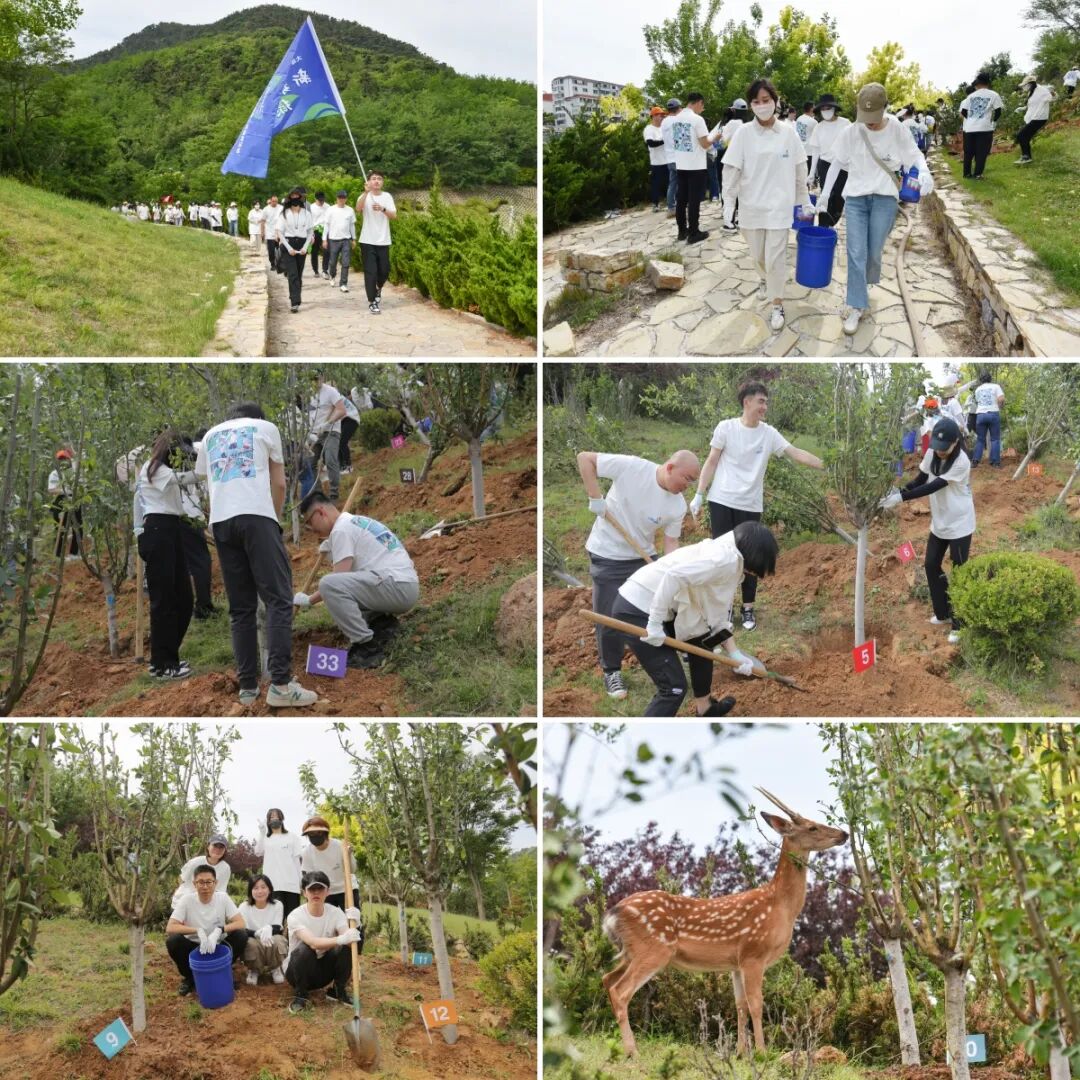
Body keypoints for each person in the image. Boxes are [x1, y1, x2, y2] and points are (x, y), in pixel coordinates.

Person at [195, 401, 317, 708]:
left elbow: (209, 483)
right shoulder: (266, 428)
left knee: (241, 608)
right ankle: (281, 685)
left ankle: (248, 688)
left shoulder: (211, 436)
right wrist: (274, 520)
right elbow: (279, 482)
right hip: (256, 517)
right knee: (278, 598)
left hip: (221, 522)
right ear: (258, 418)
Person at [689, 380, 823, 631]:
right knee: (722, 558)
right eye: (761, 401)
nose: (765, 406)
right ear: (746, 401)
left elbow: (796, 453)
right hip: (721, 501)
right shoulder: (726, 428)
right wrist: (699, 493)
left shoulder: (768, 434)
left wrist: (828, 465)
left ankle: (748, 608)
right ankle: (723, 609)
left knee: (751, 557)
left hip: (750, 504)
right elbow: (711, 462)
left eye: (766, 402)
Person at [610, 521, 781, 717]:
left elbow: (715, 618)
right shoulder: (723, 561)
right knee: (674, 688)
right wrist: (655, 623)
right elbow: (673, 576)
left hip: (660, 604)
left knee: (702, 640)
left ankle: (705, 708)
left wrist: (735, 654)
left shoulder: (730, 559)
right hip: (637, 607)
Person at [578, 449, 698, 700]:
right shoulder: (632, 468)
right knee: (610, 617)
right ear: (669, 467)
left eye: (692, 482)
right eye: (686, 479)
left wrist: (669, 571)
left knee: (665, 606)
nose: (687, 487)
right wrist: (595, 497)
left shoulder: (677, 505)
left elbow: (671, 543)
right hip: (607, 554)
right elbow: (585, 459)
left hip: (643, 556)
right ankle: (611, 670)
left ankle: (681, 648)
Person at [819, 82, 933, 337]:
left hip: (884, 199)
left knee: (873, 252)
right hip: (857, 199)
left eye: (874, 117)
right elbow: (836, 163)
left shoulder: (897, 128)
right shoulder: (851, 131)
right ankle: (857, 304)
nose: (869, 123)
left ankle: (863, 286)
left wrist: (924, 172)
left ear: (884, 108)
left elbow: (914, 155)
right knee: (855, 251)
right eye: (865, 117)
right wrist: (825, 195)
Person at [722, 79, 812, 332]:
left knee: (776, 259)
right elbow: (731, 170)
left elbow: (799, 168)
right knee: (758, 256)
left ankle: (777, 303)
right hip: (751, 208)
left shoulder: (788, 132)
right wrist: (728, 204)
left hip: (779, 209)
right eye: (756, 102)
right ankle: (763, 279)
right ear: (750, 105)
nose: (762, 106)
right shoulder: (743, 133)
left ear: (775, 101)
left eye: (766, 100)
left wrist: (803, 200)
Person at [293, 492, 419, 669]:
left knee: (329, 584)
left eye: (309, 522)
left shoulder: (341, 530)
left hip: (396, 586)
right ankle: (381, 625)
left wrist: (308, 600)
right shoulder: (353, 522)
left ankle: (367, 646)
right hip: (403, 585)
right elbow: (353, 578)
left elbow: (337, 581)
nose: (312, 529)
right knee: (347, 584)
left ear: (321, 512)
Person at [880, 417, 974, 645]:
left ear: (955, 443)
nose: (940, 452)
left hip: (960, 523)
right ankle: (943, 613)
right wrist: (899, 490)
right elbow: (922, 478)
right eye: (937, 448)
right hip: (940, 520)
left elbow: (934, 485)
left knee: (959, 572)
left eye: (945, 448)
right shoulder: (933, 452)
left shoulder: (962, 461)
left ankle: (959, 623)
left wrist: (901, 498)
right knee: (931, 565)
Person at [133, 429, 196, 679]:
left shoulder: (162, 468)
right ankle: (165, 665)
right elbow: (184, 480)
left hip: (171, 529)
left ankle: (164, 657)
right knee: (164, 601)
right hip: (158, 530)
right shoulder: (154, 467)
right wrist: (208, 469)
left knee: (184, 598)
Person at [284, 871, 362, 1014]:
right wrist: (340, 939)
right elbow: (313, 942)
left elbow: (350, 941)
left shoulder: (335, 913)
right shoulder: (295, 916)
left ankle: (338, 990)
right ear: (304, 893)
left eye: (320, 889)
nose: (316, 893)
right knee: (305, 950)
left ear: (328, 892)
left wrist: (355, 926)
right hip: (298, 973)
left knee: (345, 947)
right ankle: (301, 994)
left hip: (323, 974)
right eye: (311, 889)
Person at [165, 863, 248, 997]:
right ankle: (190, 977)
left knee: (241, 935)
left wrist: (219, 930)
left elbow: (240, 922)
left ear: (215, 883)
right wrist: (197, 930)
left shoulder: (222, 898)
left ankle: (223, 971)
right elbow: (171, 927)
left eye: (209, 882)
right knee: (173, 941)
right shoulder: (187, 900)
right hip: (194, 946)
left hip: (218, 945)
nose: (205, 886)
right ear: (194, 884)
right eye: (201, 882)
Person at [672, 93, 712, 245]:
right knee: (694, 200)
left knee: (681, 200)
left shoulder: (676, 118)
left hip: (681, 164)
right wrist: (714, 138)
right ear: (699, 103)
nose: (702, 109)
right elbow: (704, 144)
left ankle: (682, 231)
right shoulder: (697, 119)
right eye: (703, 106)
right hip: (696, 166)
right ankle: (694, 232)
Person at [806, 93, 851, 228]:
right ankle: (823, 226)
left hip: (843, 166)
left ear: (834, 108)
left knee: (838, 196)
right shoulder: (818, 127)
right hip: (825, 165)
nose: (826, 111)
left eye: (828, 108)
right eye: (823, 108)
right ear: (820, 111)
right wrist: (811, 173)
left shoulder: (846, 124)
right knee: (826, 194)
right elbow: (815, 151)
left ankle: (832, 221)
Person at [357, 171, 397, 315]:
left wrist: (383, 209)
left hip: (383, 240)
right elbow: (358, 208)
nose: (376, 181)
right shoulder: (365, 196)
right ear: (368, 182)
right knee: (370, 272)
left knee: (384, 271)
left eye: (379, 179)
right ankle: (372, 301)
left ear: (382, 182)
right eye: (373, 179)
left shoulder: (387, 197)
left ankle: (378, 288)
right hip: (367, 240)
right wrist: (365, 192)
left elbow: (394, 216)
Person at [254, 809, 305, 923]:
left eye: (277, 816)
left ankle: (293, 941)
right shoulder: (266, 838)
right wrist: (262, 832)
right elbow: (258, 852)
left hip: (291, 885)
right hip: (273, 885)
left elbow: (297, 861)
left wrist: (301, 882)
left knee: (294, 919)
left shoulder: (292, 837)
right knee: (277, 920)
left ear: (282, 819)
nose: (274, 819)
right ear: (268, 821)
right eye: (271, 817)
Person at [239, 874, 288, 986]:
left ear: (269, 889)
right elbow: (242, 929)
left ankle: (275, 968)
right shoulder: (244, 906)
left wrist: (269, 928)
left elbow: (278, 926)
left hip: (271, 938)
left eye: (263, 887)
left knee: (278, 940)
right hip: (253, 939)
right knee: (249, 943)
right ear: (250, 891)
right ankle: (254, 970)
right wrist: (256, 933)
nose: (260, 891)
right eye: (255, 888)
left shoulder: (277, 904)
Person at [275, 187, 314, 313]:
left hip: (302, 245)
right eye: (293, 196)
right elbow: (280, 233)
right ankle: (295, 302)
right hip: (288, 244)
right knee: (292, 274)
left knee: (299, 273)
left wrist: (305, 247)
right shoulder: (284, 214)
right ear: (289, 198)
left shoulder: (307, 214)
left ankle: (295, 296)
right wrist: (289, 248)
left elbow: (310, 232)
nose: (296, 199)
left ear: (301, 198)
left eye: (298, 196)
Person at [310, 373, 349, 501]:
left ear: (322, 377)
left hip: (331, 431)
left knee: (330, 459)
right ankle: (318, 493)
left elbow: (342, 410)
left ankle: (334, 494)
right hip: (314, 434)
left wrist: (327, 423)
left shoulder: (330, 391)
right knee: (310, 463)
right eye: (313, 379)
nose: (316, 381)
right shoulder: (308, 394)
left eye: (318, 378)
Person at [959, 73, 1003, 180]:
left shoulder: (971, 96)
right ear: (988, 83)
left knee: (968, 152)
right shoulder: (994, 95)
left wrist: (971, 119)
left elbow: (963, 111)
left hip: (969, 128)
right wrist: (993, 122)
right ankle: (977, 174)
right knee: (981, 152)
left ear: (977, 83)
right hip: (984, 128)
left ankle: (966, 174)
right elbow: (998, 111)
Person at [299, 818, 350, 910]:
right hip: (324, 892)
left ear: (325, 833)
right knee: (326, 922)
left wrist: (349, 855)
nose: (315, 836)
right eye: (311, 834)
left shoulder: (339, 846)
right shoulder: (307, 852)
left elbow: (352, 870)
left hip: (346, 889)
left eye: (318, 832)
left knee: (351, 919)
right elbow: (309, 877)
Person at [958, 371, 1004, 467]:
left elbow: (978, 401)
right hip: (993, 413)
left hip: (980, 415)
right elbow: (1001, 399)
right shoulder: (996, 386)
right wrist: (999, 407)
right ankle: (995, 462)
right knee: (995, 439)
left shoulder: (977, 389)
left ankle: (975, 461)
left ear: (981, 380)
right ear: (990, 379)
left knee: (980, 439)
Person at [173, 834, 232, 904]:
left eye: (221, 847)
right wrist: (177, 890)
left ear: (225, 850)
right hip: (183, 901)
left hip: (204, 904)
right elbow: (182, 878)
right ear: (208, 847)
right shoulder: (195, 862)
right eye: (215, 846)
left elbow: (220, 891)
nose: (218, 849)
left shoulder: (225, 868)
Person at [48, 448, 82, 559]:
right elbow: (51, 490)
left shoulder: (74, 473)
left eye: (65, 459)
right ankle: (58, 555)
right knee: (60, 528)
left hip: (74, 499)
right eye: (61, 459)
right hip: (61, 501)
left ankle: (74, 553)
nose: (63, 461)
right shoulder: (54, 474)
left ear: (69, 460)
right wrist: (65, 491)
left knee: (78, 527)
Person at [1016, 74, 1053, 164]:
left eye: (1025, 85)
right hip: (1034, 117)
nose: (1024, 87)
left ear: (1030, 84)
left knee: (1021, 135)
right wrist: (1023, 108)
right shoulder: (1031, 91)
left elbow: (1051, 97)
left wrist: (1049, 96)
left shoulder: (1042, 90)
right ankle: (1026, 157)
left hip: (1039, 117)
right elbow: (1032, 104)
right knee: (1025, 137)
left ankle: (1026, 157)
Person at [324, 189, 356, 293]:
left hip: (346, 240)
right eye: (340, 197)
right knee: (333, 262)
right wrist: (324, 239)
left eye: (344, 197)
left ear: (346, 198)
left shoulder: (350, 210)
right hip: (333, 240)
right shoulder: (330, 210)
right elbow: (326, 225)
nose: (342, 199)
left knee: (346, 262)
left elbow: (352, 226)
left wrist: (354, 239)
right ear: (337, 198)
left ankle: (343, 283)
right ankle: (332, 276)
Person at [644, 106, 669, 211]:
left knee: (670, 183)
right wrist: (664, 141)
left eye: (663, 115)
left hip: (667, 160)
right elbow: (650, 143)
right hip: (656, 162)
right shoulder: (649, 129)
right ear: (654, 116)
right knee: (656, 185)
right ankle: (655, 204)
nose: (662, 117)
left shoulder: (664, 128)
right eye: (660, 115)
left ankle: (671, 203)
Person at [660, 98, 681, 215]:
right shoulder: (677, 121)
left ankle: (671, 208)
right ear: (678, 108)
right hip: (678, 158)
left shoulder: (664, 122)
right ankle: (682, 207)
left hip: (669, 158)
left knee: (672, 183)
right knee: (683, 183)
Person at [308, 190, 329, 278]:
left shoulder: (328, 206)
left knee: (326, 251)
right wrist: (311, 234)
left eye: (323, 200)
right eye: (320, 200)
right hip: (315, 231)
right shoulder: (311, 207)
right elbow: (309, 221)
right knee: (314, 252)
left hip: (325, 230)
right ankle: (316, 270)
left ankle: (325, 270)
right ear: (315, 199)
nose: (321, 202)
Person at [794, 101, 817, 170]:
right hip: (809, 152)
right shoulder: (813, 122)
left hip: (799, 150)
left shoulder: (799, 119)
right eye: (814, 107)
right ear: (811, 109)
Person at [263, 194, 282, 270]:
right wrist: (262, 232)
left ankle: (280, 264)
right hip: (270, 233)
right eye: (273, 201)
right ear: (270, 201)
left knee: (281, 250)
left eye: (276, 201)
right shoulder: (266, 209)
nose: (275, 202)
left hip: (280, 233)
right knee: (271, 251)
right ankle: (272, 264)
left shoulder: (281, 208)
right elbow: (263, 221)